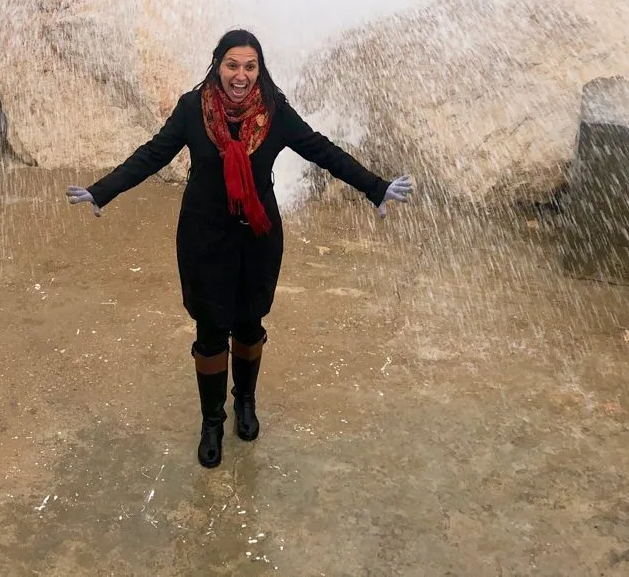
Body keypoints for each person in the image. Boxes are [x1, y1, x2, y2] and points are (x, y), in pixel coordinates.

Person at [66, 29, 413, 469]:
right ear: (217, 65)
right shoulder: (193, 110)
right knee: (211, 331)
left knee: (249, 324)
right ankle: (212, 422)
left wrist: (375, 188)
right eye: (233, 65)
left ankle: (244, 403)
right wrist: (102, 192)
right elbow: (152, 154)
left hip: (257, 236)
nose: (241, 75)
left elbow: (321, 150)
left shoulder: (275, 112)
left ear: (259, 69)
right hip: (203, 237)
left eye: (250, 66)